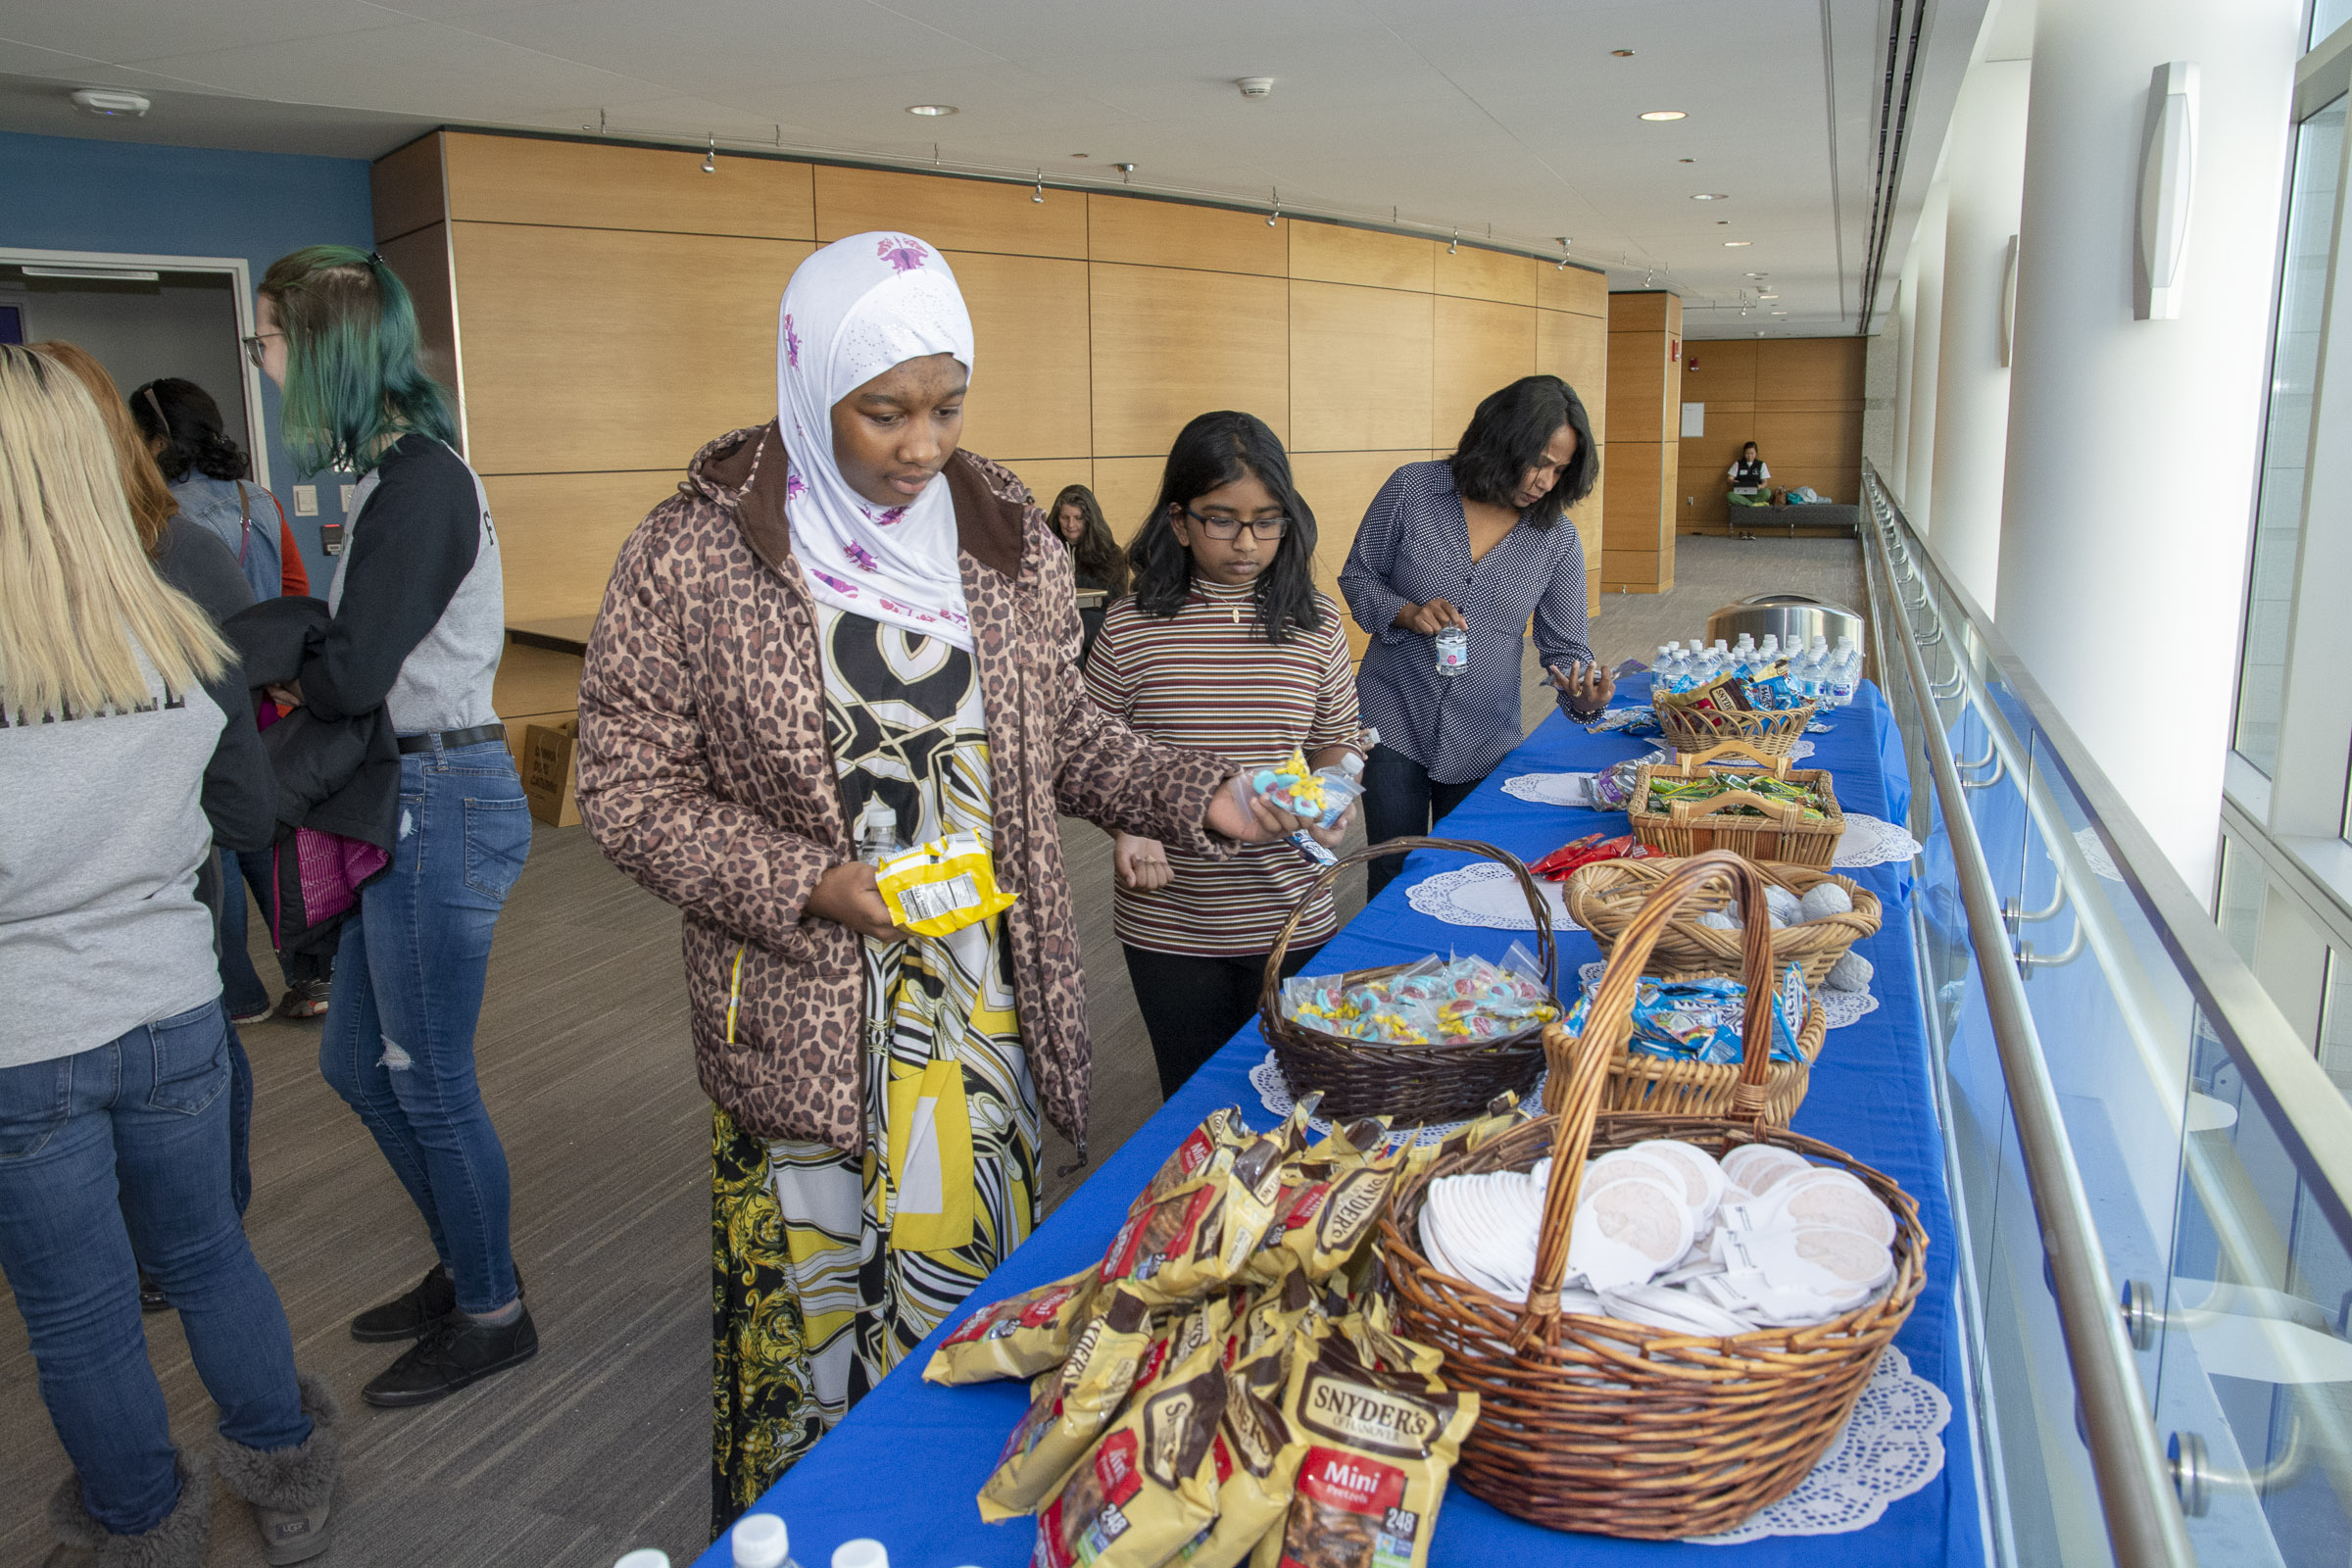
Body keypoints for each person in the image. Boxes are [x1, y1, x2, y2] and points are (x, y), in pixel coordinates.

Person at [572, 232, 1319, 1530]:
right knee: (819, 1322)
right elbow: (627, 790)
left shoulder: (1002, 528)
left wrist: (1201, 792)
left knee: (962, 1309)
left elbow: (1062, 735)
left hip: (979, 1011)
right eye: (885, 412)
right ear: (811, 385)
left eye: (948, 406)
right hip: (808, 1011)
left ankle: (940, 1532)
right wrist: (811, 880)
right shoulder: (695, 551)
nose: (921, 445)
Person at [0, 344, 340, 1568]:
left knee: (80, 1311)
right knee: (208, 1254)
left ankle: (142, 1526)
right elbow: (241, 818)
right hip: (176, 1012)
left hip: (23, 1042)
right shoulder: (176, 632)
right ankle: (288, 1477)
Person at [251, 245, 537, 1406]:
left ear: (325, 350)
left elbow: (353, 672)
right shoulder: (393, 474)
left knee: (428, 1078)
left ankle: (493, 1310)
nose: (263, 362)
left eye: (270, 339)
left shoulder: (419, 480)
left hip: (441, 796)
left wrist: (285, 654)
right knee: (354, 1061)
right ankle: (471, 1261)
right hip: (412, 792)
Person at [33, 341, 267, 1239]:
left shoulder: (172, 552)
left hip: (152, 898)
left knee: (170, 1229)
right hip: (129, 919)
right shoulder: (205, 537)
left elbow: (233, 722)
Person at [1085, 412, 1361, 1096]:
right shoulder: (1128, 626)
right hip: (1169, 917)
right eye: (1222, 521)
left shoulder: (1317, 621)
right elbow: (1087, 754)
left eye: (1267, 522)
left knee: (1306, 1089)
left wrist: (1333, 796)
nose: (1247, 543)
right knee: (1193, 1096)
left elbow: (1337, 739)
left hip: (1293, 907)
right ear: (1179, 522)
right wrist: (1128, 826)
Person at [1340, 373, 1609, 898]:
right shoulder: (1413, 489)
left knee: (1471, 875)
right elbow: (1359, 575)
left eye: (1560, 470)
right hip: (1393, 715)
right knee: (1392, 869)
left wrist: (1583, 695)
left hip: (1483, 732)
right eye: (1539, 462)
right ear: (1501, 440)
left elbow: (1565, 646)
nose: (1545, 482)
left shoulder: (1556, 538)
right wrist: (1406, 612)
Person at [131, 375, 332, 1022]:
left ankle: (237, 992)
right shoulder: (260, 499)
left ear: (155, 439)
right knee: (269, 837)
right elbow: (295, 588)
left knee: (212, 844)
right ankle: (312, 976)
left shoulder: (157, 517)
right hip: (264, 689)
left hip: (197, 690)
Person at [1049, 482, 1127, 662]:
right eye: (1065, 517)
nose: (1071, 525)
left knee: (1078, 623)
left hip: (1097, 622)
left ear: (1090, 519)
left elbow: (1115, 600)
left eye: (1078, 518)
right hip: (1058, 621)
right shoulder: (1045, 550)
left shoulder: (1110, 553)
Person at [1728, 440, 1774, 507]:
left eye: (1752, 454)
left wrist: (1761, 486)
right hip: (1741, 493)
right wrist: (1733, 482)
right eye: (1747, 454)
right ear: (1744, 453)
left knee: (1767, 492)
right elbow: (1728, 480)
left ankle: (1745, 503)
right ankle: (1752, 504)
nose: (1750, 456)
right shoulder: (1737, 464)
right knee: (1730, 495)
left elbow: (1765, 482)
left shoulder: (1761, 464)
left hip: (1755, 493)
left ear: (1756, 453)